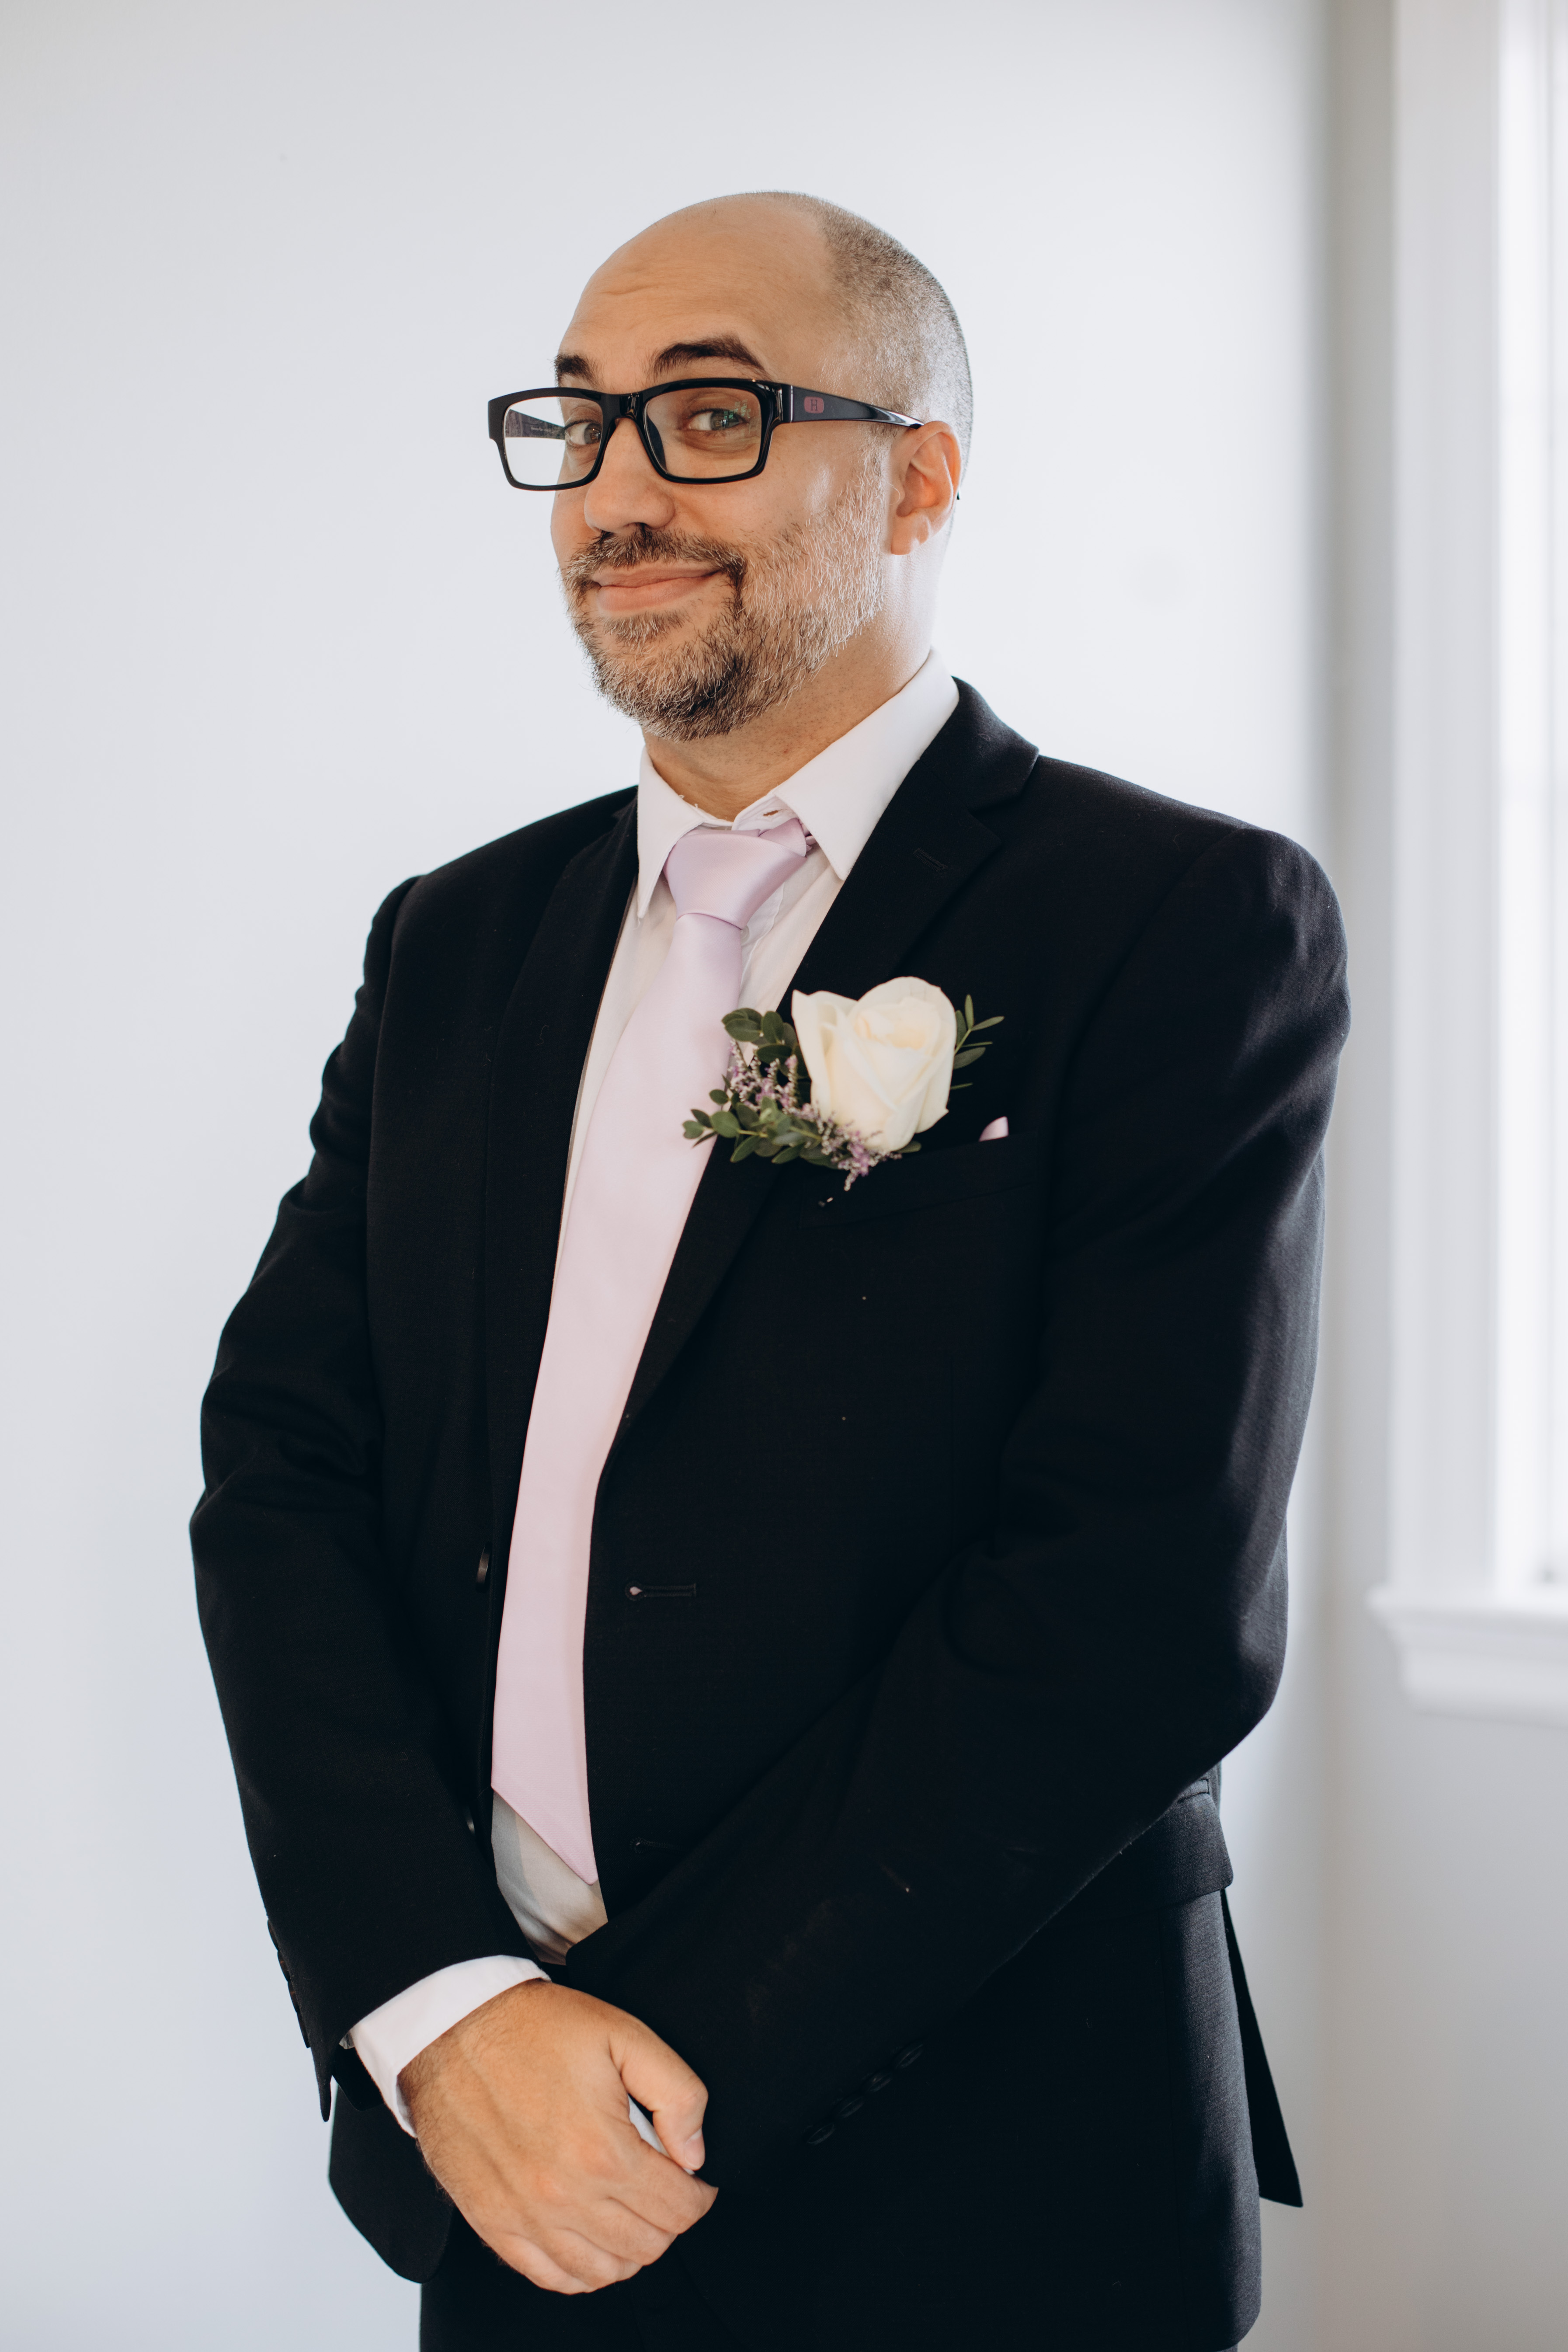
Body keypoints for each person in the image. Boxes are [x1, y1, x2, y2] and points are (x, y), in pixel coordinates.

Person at [193, 190, 1347, 2352]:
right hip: (505, 2161)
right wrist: (442, 2011)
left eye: (709, 414)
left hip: (994, 2164)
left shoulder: (1178, 919)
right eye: (582, 422)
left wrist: (639, 2068)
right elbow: (281, 1475)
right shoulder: (454, 940)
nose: (618, 493)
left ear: (918, 474)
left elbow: (1136, 1598)